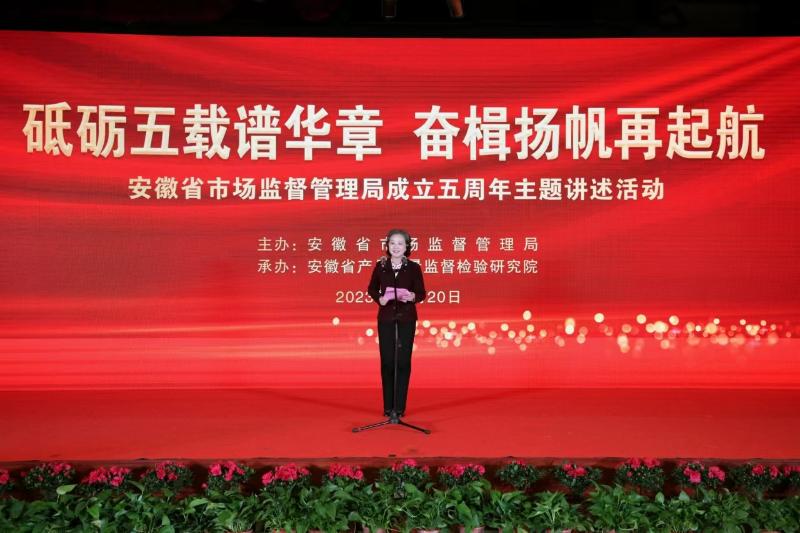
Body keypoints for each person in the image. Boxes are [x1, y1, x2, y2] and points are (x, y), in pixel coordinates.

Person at [366, 229, 426, 418]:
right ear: (387, 245)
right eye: (392, 243)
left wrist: (412, 296)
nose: (396, 247)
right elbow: (371, 288)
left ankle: (399, 408)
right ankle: (388, 407)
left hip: (406, 318)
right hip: (386, 318)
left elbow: (422, 293)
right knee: (387, 361)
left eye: (400, 243)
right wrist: (380, 298)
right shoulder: (381, 266)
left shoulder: (414, 268)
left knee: (403, 362)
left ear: (407, 246)